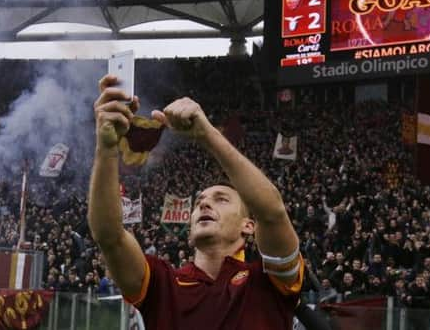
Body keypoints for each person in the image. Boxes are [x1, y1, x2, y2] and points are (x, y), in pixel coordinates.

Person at [88, 75, 304, 330]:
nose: (204, 204)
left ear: (248, 226)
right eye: (199, 201)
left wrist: (207, 134)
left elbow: (273, 214)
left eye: (221, 199)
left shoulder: (271, 280)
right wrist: (106, 147)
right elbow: (109, 236)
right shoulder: (161, 284)